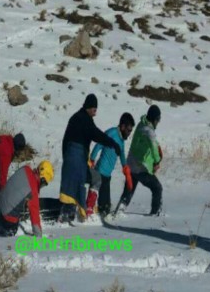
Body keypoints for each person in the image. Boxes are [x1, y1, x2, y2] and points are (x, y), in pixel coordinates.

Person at [59, 93, 121, 223]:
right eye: (93, 108)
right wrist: (112, 143)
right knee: (90, 180)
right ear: (87, 107)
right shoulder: (84, 120)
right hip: (77, 159)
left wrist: (66, 158)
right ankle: (82, 211)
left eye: (96, 108)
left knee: (76, 184)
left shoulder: (75, 118)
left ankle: (70, 211)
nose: (95, 111)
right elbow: (97, 134)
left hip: (72, 160)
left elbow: (65, 141)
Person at [116, 105, 163, 216]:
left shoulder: (141, 124)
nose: (159, 122)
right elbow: (152, 146)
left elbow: (150, 143)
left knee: (129, 190)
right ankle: (155, 213)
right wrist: (157, 161)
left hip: (131, 165)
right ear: (154, 119)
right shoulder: (148, 131)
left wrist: (157, 146)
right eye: (158, 120)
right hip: (139, 168)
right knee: (157, 187)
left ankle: (118, 211)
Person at [89, 112, 135, 218]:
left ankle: (100, 211)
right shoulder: (112, 133)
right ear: (122, 126)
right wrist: (92, 159)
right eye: (128, 130)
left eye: (131, 131)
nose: (129, 133)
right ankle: (95, 213)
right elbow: (99, 144)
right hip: (100, 172)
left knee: (106, 204)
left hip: (107, 175)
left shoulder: (121, 139)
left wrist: (125, 168)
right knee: (104, 206)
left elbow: (122, 154)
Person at [0, 160, 54, 237]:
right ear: (42, 179)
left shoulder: (25, 169)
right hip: (8, 217)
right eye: (44, 184)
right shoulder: (33, 190)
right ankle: (5, 234)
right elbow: (35, 217)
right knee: (12, 231)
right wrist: (38, 235)